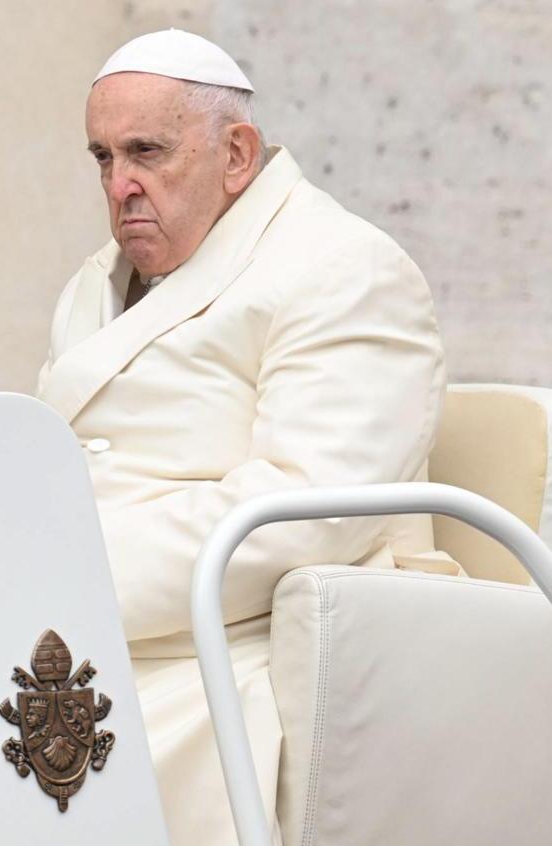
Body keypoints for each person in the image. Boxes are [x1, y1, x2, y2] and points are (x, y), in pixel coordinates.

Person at [35, 29, 448, 845]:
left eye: (147, 152)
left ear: (236, 154)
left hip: (229, 633)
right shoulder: (98, 281)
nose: (121, 186)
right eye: (102, 158)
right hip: (84, 622)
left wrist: (71, 579)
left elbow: (308, 506)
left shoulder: (343, 266)